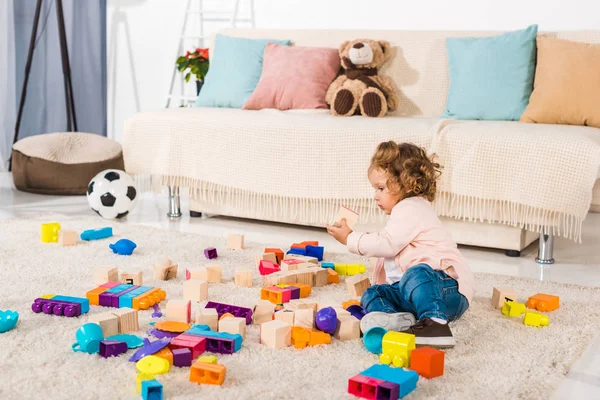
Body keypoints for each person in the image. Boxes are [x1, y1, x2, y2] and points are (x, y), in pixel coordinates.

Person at [327, 141, 475, 348]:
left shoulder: (412, 207)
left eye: (381, 188)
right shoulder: (402, 213)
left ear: (405, 184)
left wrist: (350, 238)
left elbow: (387, 244)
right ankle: (396, 321)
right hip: (414, 295)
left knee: (417, 273)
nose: (375, 196)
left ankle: (436, 324)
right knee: (374, 292)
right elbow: (387, 243)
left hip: (447, 290)